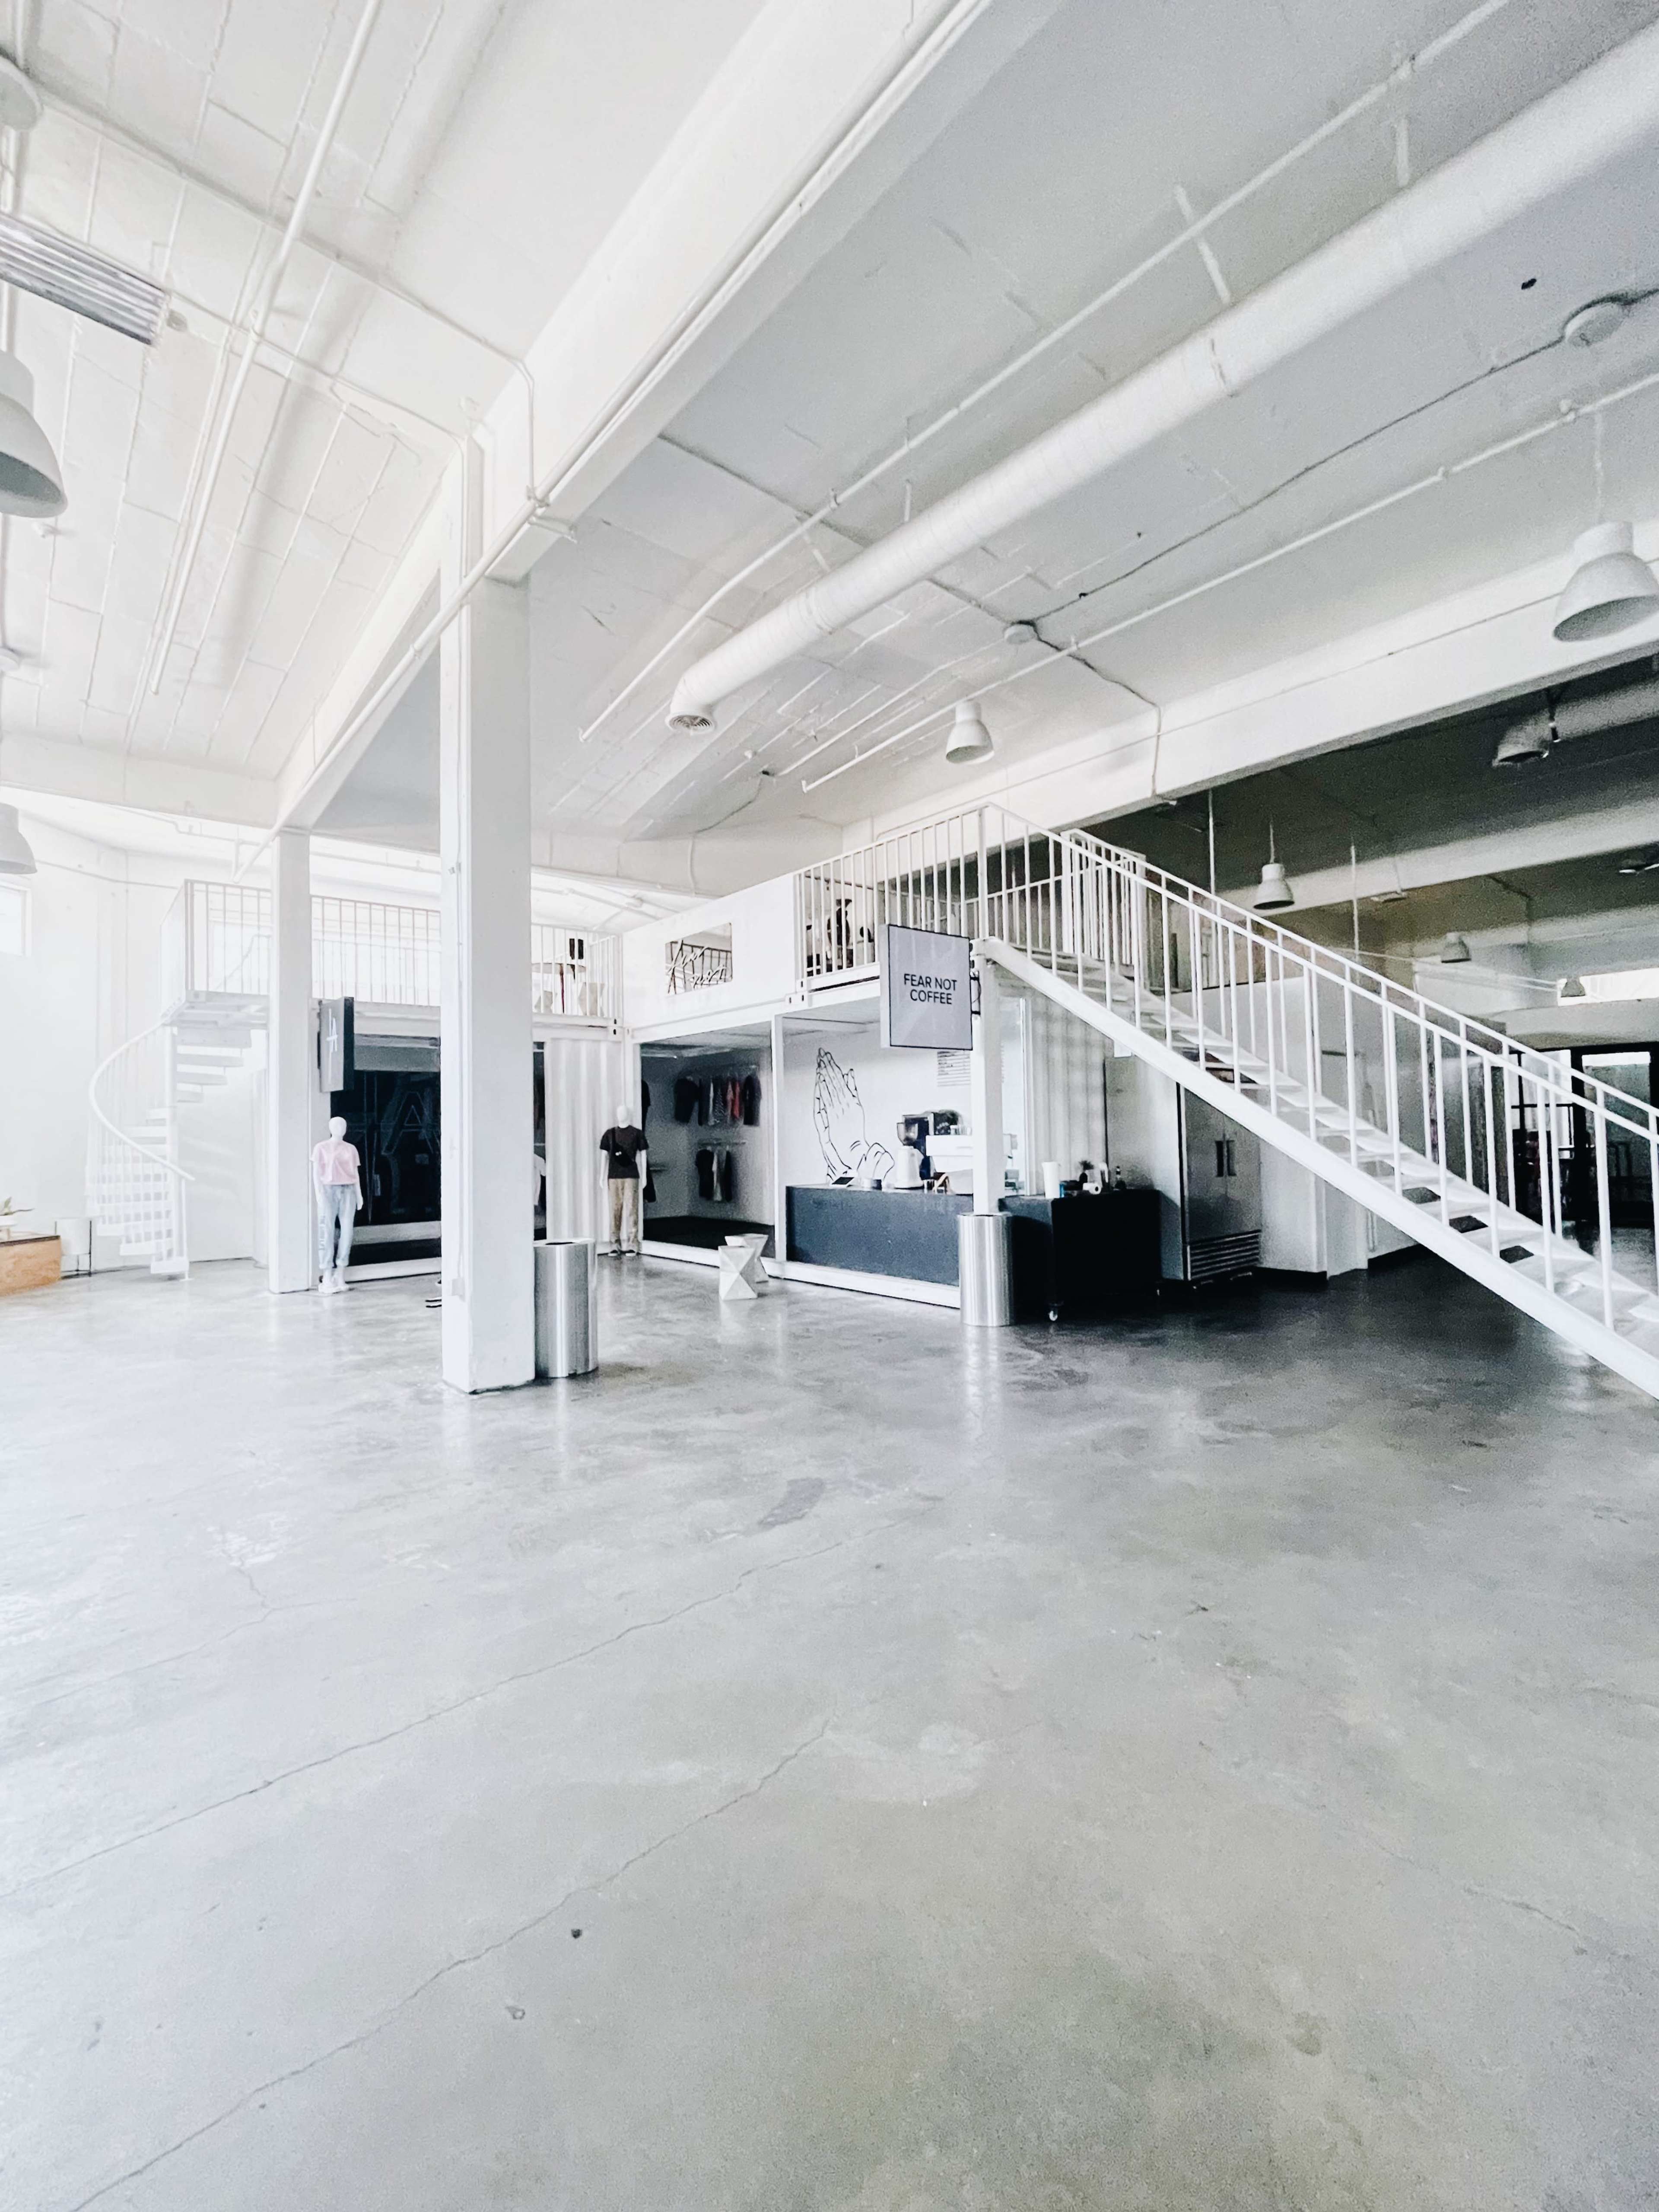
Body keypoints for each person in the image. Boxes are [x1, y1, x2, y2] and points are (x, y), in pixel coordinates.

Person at [311, 1116, 362, 1294]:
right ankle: (327, 1273)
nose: (341, 1128)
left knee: (347, 1231)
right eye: (337, 1125)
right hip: (328, 1190)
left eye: (343, 1125)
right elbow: (316, 1173)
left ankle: (341, 1272)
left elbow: (355, 1173)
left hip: (348, 1190)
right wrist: (318, 1193)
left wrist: (359, 1194)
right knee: (327, 1230)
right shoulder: (321, 1148)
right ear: (330, 1128)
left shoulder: (351, 1149)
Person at [598, 1108, 647, 1255]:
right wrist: (601, 1176)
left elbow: (644, 1155)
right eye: (619, 1111)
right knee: (615, 1210)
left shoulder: (637, 1133)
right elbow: (604, 1156)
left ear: (628, 1114)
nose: (621, 1114)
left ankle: (633, 1243)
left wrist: (644, 1176)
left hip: (631, 1175)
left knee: (632, 1209)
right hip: (614, 1176)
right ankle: (614, 1244)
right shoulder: (609, 1134)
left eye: (624, 1111)